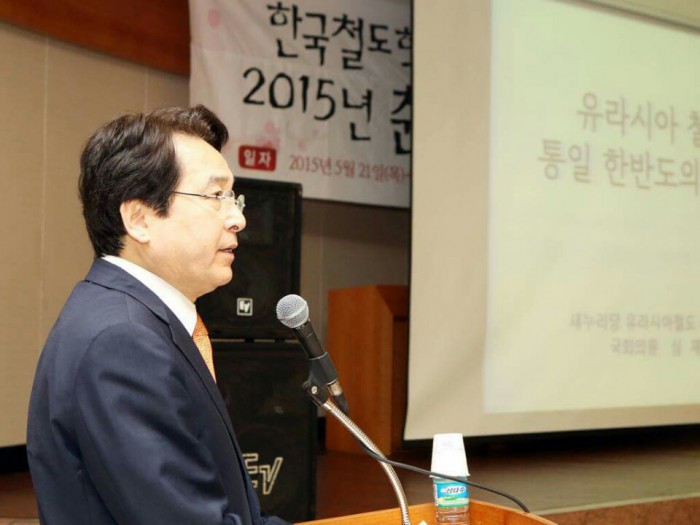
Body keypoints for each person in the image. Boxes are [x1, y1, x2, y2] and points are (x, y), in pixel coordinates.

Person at [27, 105, 291, 525]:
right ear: (140, 218)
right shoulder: (122, 342)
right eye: (215, 196)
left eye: (234, 198)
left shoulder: (135, 319)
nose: (238, 218)